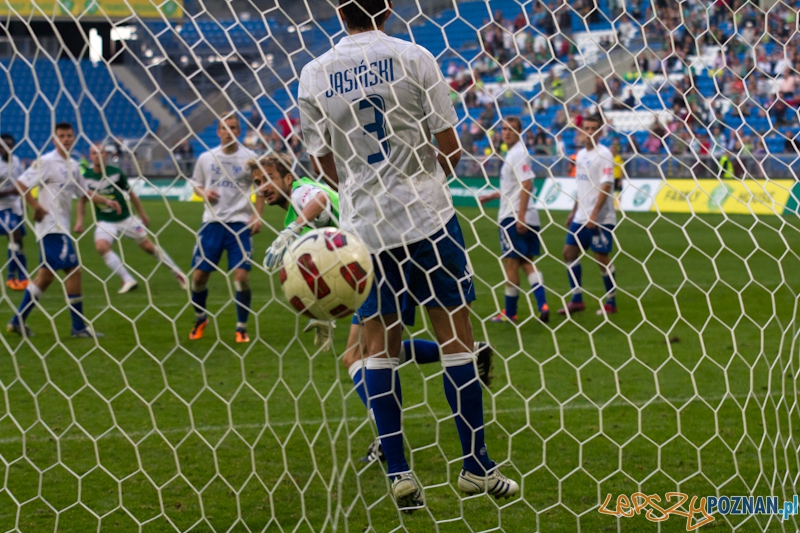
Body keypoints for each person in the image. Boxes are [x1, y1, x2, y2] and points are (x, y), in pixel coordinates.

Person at [297, 0, 519, 511]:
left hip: (366, 233)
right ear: (389, 9)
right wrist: (415, 176)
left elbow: (324, 168)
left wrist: (364, 186)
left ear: (338, 13)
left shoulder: (313, 74)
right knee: (458, 341)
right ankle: (475, 466)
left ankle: (399, 472)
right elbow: (450, 148)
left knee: (378, 347)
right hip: (428, 219)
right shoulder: (415, 56)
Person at [251, 153, 495, 463]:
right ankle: (470, 351)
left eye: (269, 179)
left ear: (287, 178)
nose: (263, 188)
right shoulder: (296, 202)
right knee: (370, 354)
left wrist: (293, 229)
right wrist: (323, 312)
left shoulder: (301, 192)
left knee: (359, 356)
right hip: (365, 268)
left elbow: (322, 199)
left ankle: (387, 437)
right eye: (257, 183)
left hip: (372, 265)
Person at [7, 122, 121, 337]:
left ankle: (17, 321)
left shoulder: (74, 166)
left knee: (45, 277)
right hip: (51, 227)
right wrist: (36, 206)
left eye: (69, 135)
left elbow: (84, 192)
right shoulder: (46, 162)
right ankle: (78, 327)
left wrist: (106, 201)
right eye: (62, 136)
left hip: (62, 227)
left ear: (74, 138)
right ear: (54, 139)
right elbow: (21, 185)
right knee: (74, 270)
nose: (66, 139)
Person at [189, 113, 263, 344]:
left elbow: (262, 187)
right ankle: (201, 318)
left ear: (238, 132)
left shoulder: (251, 158)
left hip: (240, 224)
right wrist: (204, 193)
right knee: (199, 277)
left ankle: (241, 327)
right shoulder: (206, 158)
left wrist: (258, 216)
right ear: (218, 131)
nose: (228, 131)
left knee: (241, 277)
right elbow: (196, 183)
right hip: (211, 223)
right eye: (224, 127)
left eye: (233, 127)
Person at [75, 143, 187, 293]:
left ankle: (177, 273)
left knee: (148, 247)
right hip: (105, 221)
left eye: (100, 153)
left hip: (126, 219)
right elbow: (82, 201)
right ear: (90, 156)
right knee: (101, 246)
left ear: (105, 155)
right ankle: (128, 279)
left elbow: (132, 194)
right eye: (94, 153)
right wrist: (79, 222)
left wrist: (142, 214)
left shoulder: (115, 173)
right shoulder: (86, 177)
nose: (97, 156)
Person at [479, 117, 549, 323]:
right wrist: (494, 195)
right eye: (503, 129)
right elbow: (515, 187)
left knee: (510, 264)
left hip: (514, 217)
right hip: (527, 215)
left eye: (511, 129)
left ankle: (510, 313)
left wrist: (520, 216)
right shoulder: (515, 154)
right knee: (527, 262)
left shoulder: (518, 154)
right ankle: (542, 304)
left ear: (519, 132)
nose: (506, 132)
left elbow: (527, 184)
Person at [558, 114, 618, 316]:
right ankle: (577, 300)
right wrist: (574, 211)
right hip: (581, 216)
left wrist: (594, 214)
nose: (589, 132)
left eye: (594, 129)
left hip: (600, 218)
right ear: (581, 131)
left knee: (601, 258)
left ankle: (611, 302)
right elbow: (581, 186)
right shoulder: (581, 155)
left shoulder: (604, 155)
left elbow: (607, 185)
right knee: (569, 253)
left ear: (600, 132)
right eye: (586, 128)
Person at [0, 133, 28, 291]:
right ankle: (11, 277)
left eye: (8, 146)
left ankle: (23, 277)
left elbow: (21, 184)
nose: (5, 149)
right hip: (2, 208)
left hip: (16, 207)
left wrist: (23, 207)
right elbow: (15, 189)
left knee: (19, 242)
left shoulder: (17, 161)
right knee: (14, 233)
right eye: (2, 146)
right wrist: (12, 191)